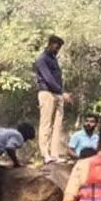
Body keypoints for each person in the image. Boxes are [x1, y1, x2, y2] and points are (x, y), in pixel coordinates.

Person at [35, 35, 71, 164]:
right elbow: (48, 78)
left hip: (58, 94)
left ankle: (54, 154)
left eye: (59, 47)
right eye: (56, 46)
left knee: (57, 125)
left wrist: (61, 93)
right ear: (50, 44)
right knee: (46, 124)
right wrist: (62, 92)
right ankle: (45, 154)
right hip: (47, 93)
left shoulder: (53, 59)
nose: (57, 49)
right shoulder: (42, 59)